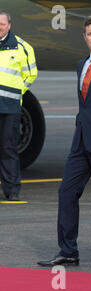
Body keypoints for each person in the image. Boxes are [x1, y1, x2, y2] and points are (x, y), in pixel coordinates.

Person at [38, 15, 91, 268]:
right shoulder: (81, 64)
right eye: (89, 34)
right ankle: (68, 250)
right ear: (84, 37)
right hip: (80, 140)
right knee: (66, 192)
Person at [0, 9, 37, 201]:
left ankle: (12, 189)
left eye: (2, 24)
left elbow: (31, 74)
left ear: (9, 25)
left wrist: (17, 93)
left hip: (10, 107)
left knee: (8, 148)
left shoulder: (22, 48)